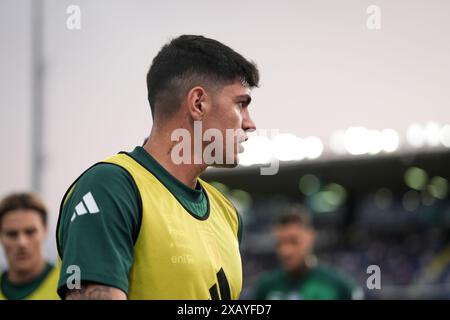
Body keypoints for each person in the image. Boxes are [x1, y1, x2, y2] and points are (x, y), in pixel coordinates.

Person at [56, 34, 259, 300]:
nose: (250, 123)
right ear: (198, 103)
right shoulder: (111, 187)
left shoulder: (228, 213)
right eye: (240, 104)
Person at [252, 204, 363, 300]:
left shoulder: (339, 286)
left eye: (294, 241)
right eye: (280, 243)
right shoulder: (266, 287)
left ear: (310, 237)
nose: (286, 251)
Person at [0, 192, 60, 300]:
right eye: (12, 234)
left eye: (30, 232)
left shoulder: (67, 288)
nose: (22, 242)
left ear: (45, 230)